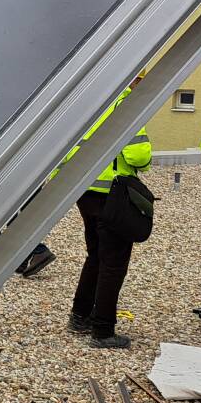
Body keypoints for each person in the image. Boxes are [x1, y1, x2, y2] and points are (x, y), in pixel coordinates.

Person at [65, 77, 152, 349]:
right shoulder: (125, 104)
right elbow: (139, 156)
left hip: (85, 191)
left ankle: (80, 315)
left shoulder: (86, 103)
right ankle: (102, 330)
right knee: (113, 263)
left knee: (95, 255)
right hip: (113, 194)